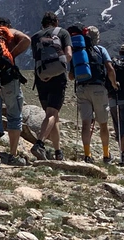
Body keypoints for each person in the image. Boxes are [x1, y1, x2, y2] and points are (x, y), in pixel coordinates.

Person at [0, 17, 31, 169]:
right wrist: (11, 54)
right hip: (10, 79)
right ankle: (12, 155)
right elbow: (26, 40)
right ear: (8, 26)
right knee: (14, 116)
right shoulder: (8, 33)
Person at [68, 25, 117, 164]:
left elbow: (71, 76)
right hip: (99, 88)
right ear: (97, 38)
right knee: (103, 124)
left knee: (85, 124)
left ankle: (87, 155)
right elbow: (110, 68)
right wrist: (114, 84)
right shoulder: (101, 50)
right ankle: (106, 155)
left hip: (82, 89)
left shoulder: (77, 51)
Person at [29, 11, 72, 160]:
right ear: (56, 22)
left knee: (53, 115)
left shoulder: (35, 37)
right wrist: (58, 70)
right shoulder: (63, 33)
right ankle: (39, 144)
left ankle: (58, 151)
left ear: (42, 24)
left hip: (41, 78)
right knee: (52, 114)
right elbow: (69, 55)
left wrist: (46, 74)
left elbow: (37, 58)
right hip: (58, 77)